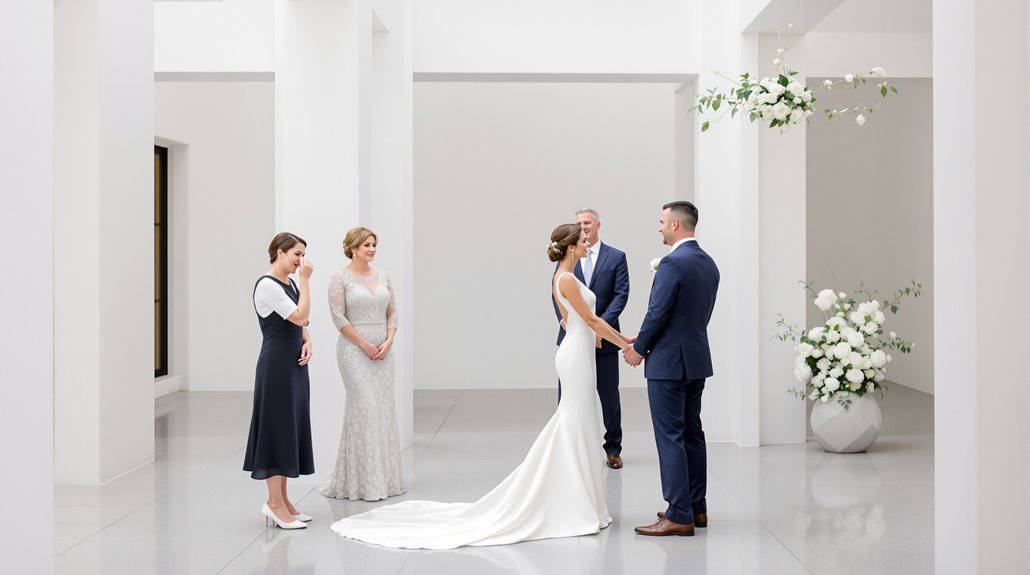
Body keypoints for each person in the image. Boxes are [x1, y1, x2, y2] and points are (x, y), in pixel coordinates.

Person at [327, 223, 633, 549]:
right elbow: (591, 321)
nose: (588, 244)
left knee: (579, 419)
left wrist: (596, 336)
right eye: (583, 240)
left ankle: (579, 498)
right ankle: (572, 499)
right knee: (573, 418)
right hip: (575, 356)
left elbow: (568, 319)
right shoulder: (567, 279)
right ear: (571, 247)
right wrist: (626, 344)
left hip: (577, 352)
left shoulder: (563, 276)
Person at [623, 201, 719, 537]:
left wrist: (638, 349)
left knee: (670, 437)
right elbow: (690, 315)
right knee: (692, 434)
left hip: (668, 364)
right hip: (695, 359)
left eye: (662, 221)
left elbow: (657, 313)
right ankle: (696, 507)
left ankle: (679, 514)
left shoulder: (672, 263)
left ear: (676, 225)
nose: (659, 227)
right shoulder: (708, 263)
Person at [320, 227, 406, 501]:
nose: (371, 249)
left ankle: (385, 481)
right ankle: (361, 482)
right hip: (353, 352)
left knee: (382, 410)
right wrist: (364, 344)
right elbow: (339, 318)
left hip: (383, 352)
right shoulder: (339, 278)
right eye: (366, 245)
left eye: (373, 245)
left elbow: (393, 312)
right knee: (365, 408)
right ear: (353, 248)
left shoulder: (384, 276)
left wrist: (389, 340)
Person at [244, 232, 316, 530]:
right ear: (280, 252)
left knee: (288, 427)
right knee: (276, 428)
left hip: (293, 365)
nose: (301, 260)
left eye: (302, 254)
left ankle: (283, 500)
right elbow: (300, 316)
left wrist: (307, 340)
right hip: (276, 366)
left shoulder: (289, 283)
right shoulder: (268, 285)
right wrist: (307, 282)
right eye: (297, 254)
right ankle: (274, 503)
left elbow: (301, 324)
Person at [552, 208, 629, 469]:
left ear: (598, 224)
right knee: (571, 401)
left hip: (600, 339)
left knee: (608, 397)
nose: (583, 228)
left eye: (587, 223)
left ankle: (612, 449)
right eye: (578, 224)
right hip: (575, 343)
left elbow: (621, 294)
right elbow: (559, 297)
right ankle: (567, 453)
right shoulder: (566, 269)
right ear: (571, 245)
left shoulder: (615, 257)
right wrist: (566, 321)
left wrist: (604, 332)